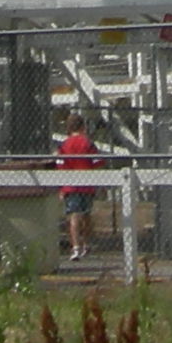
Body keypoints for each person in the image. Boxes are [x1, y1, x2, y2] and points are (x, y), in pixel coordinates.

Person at [57, 112, 100, 261]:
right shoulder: (88, 143)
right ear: (83, 127)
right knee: (87, 215)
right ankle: (86, 244)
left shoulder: (64, 145)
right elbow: (97, 162)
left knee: (73, 216)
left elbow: (61, 166)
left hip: (70, 185)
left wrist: (62, 188)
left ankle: (75, 247)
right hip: (86, 184)